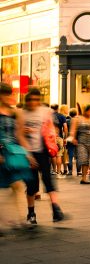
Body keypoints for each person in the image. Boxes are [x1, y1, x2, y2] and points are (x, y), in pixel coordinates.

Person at [22, 88, 65, 224]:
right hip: (29, 152)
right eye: (31, 100)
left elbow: (54, 129)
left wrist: (49, 134)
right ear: (27, 101)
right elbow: (18, 134)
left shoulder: (45, 112)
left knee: (48, 179)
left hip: (42, 151)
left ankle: (56, 210)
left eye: (36, 99)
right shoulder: (22, 114)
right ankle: (31, 213)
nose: (34, 102)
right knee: (32, 185)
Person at [0, 83, 34, 230]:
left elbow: (20, 135)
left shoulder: (16, 113)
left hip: (12, 153)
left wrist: (28, 153)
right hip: (1, 152)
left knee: (17, 186)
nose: (9, 97)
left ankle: (17, 218)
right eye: (6, 94)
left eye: (10, 94)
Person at [70, 104, 90, 185]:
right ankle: (83, 177)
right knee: (83, 158)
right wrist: (73, 138)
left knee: (88, 160)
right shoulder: (77, 119)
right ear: (85, 110)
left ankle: (84, 178)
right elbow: (73, 130)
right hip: (81, 141)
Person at [50, 104, 68, 178]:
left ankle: (53, 170)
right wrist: (65, 138)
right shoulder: (62, 116)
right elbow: (65, 128)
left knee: (52, 155)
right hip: (59, 138)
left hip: (50, 138)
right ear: (58, 109)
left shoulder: (48, 116)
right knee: (59, 155)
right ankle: (58, 172)